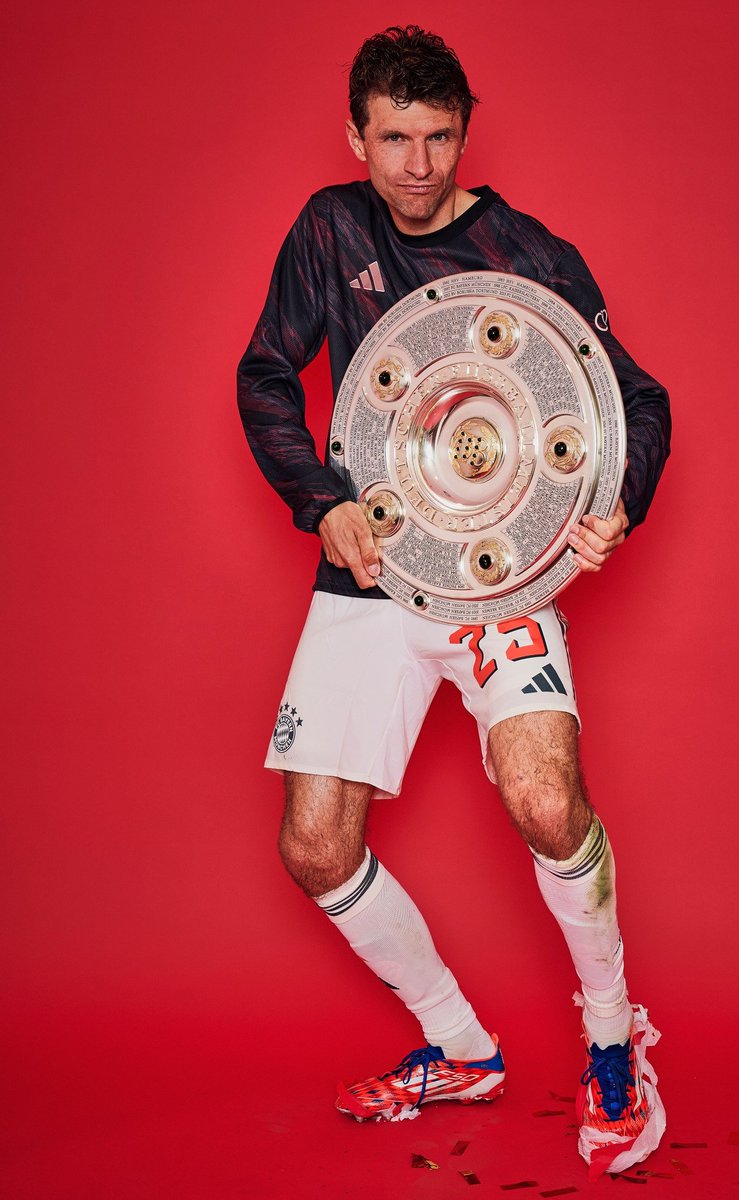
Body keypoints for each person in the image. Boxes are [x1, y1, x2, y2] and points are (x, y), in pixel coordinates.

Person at [237, 25, 671, 1175]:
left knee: (543, 800)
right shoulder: (329, 229)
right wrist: (319, 496)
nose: (417, 167)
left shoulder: (525, 248)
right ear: (356, 135)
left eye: (438, 138)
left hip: (501, 579)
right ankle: (459, 1045)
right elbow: (268, 372)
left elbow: (635, 399)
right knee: (314, 846)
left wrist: (617, 498)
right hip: (372, 566)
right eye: (394, 140)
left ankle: (616, 1041)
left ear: (466, 130)